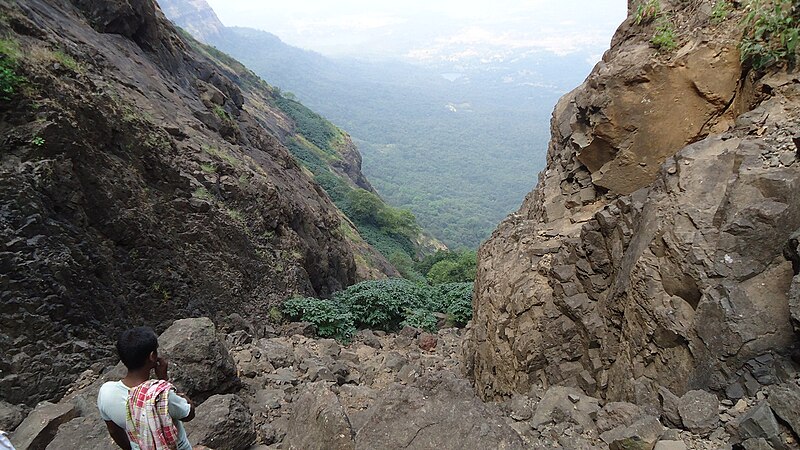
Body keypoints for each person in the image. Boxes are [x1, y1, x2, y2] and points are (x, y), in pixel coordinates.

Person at [98, 327, 195, 450]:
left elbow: (113, 431)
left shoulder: (106, 392)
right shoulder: (162, 396)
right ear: (152, 356)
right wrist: (164, 382)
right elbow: (189, 414)